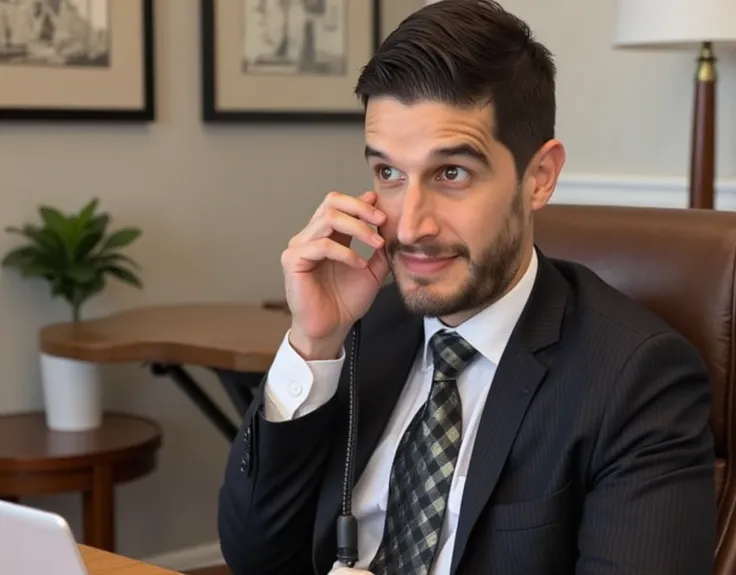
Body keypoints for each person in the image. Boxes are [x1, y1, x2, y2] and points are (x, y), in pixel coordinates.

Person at [217, 1, 717, 573]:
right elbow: (255, 557)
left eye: (451, 173)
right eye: (389, 174)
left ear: (540, 178)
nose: (410, 225)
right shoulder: (363, 331)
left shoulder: (637, 380)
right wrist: (313, 342)